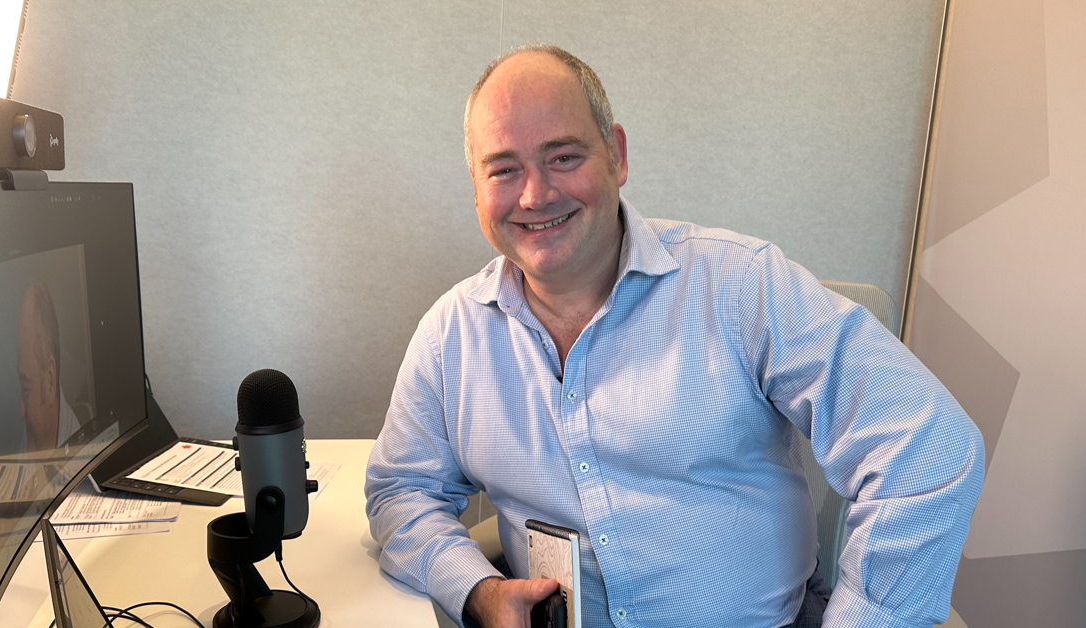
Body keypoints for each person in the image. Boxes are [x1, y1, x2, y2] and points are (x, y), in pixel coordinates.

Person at [365, 45, 984, 628]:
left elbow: (928, 447)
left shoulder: (742, 287)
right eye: (504, 169)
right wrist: (477, 589)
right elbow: (400, 489)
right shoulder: (453, 333)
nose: (536, 194)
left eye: (564, 156)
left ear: (617, 155)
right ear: (475, 185)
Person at [17, 282, 80, 453]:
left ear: (50, 379)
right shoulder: (33, 434)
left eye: (26, 386)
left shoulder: (79, 456)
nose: (21, 411)